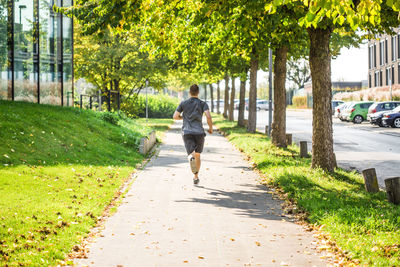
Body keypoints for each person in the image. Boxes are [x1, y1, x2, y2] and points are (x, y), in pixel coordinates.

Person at [173, 84, 213, 184]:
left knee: (191, 154)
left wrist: (183, 118)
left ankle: (190, 157)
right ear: (198, 92)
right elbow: (208, 116)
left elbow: (175, 116)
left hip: (187, 132)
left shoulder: (184, 103)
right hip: (199, 132)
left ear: (190, 92)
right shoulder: (203, 103)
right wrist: (211, 128)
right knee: (198, 155)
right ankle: (195, 176)